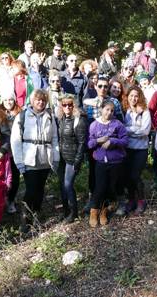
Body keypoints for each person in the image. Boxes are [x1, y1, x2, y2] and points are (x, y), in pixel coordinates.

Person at [10, 90, 60, 225]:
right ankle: (25, 216)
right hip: (29, 159)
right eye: (38, 100)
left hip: (45, 159)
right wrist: (19, 162)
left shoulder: (50, 115)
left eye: (43, 100)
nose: (41, 102)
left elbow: (54, 138)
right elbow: (15, 140)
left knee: (40, 189)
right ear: (32, 101)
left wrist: (55, 158)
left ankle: (36, 213)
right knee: (31, 189)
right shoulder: (22, 116)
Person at [87, 101, 128, 227]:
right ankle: (94, 211)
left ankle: (103, 211)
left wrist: (112, 141)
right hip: (100, 162)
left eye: (111, 110)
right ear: (101, 109)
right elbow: (89, 144)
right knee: (100, 187)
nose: (109, 112)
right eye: (107, 109)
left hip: (116, 161)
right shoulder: (94, 125)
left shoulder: (117, 124)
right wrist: (98, 141)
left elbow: (125, 140)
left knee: (110, 187)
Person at [56, 94, 88, 223]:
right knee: (62, 185)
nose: (67, 107)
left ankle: (74, 212)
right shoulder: (61, 119)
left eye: (70, 104)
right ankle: (66, 211)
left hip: (72, 158)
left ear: (74, 105)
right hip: (62, 158)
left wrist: (77, 161)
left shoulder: (78, 120)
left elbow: (82, 143)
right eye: (64, 104)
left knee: (68, 184)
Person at [121, 86, 151, 215]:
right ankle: (131, 199)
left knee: (135, 175)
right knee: (127, 176)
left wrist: (127, 129)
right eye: (131, 95)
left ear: (140, 97)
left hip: (140, 149)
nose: (133, 98)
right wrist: (134, 129)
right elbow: (120, 129)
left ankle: (141, 200)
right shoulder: (125, 111)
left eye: (136, 96)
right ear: (127, 96)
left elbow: (145, 131)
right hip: (127, 148)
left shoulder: (145, 111)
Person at [0, 91, 22, 214]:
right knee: (2, 177)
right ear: (2, 101)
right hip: (2, 150)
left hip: (16, 151)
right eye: (6, 100)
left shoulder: (20, 113)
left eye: (11, 100)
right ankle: (2, 199)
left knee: (15, 177)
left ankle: (11, 199)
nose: (8, 102)